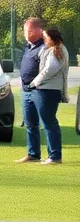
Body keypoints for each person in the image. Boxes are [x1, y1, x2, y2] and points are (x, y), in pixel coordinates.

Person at [24, 27, 69, 165]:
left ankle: (55, 156)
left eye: (45, 36)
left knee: (49, 123)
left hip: (48, 91)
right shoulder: (51, 49)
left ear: (51, 37)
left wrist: (35, 82)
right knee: (44, 122)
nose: (43, 39)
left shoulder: (57, 50)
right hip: (44, 90)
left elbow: (50, 69)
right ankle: (44, 155)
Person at [16, 17, 48, 163]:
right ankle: (33, 154)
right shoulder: (27, 47)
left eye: (28, 31)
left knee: (47, 123)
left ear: (37, 31)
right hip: (26, 90)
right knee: (30, 124)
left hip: (40, 90)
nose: (25, 33)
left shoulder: (45, 48)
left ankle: (53, 156)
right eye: (25, 31)